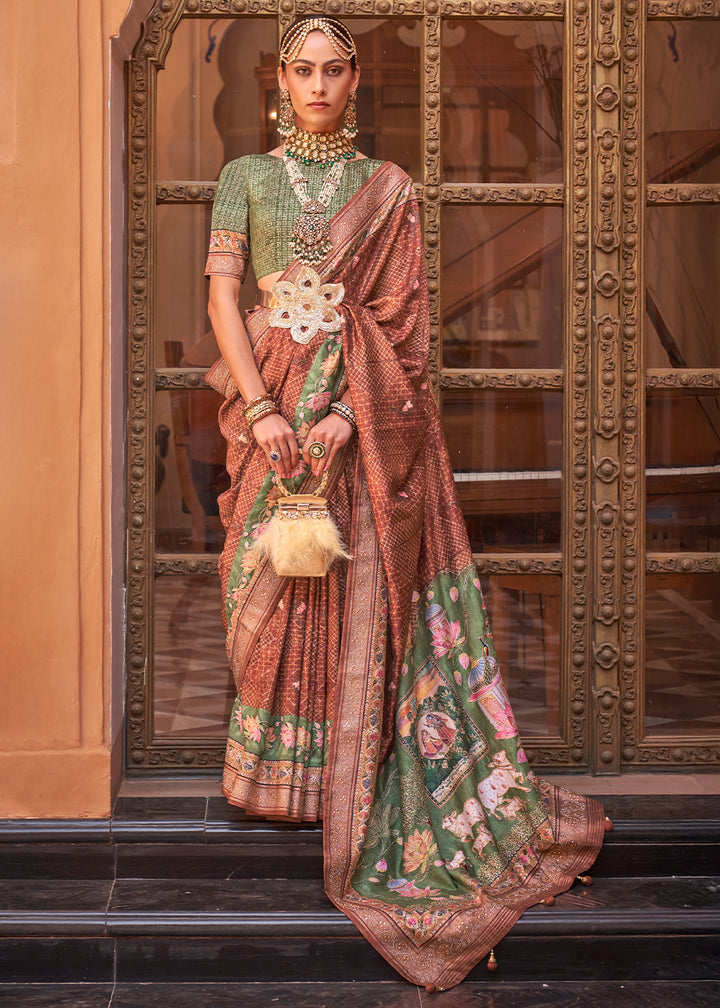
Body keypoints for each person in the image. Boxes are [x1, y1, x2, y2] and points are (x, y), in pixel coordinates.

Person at [204, 16, 608, 992]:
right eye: (302, 68)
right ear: (281, 76)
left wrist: (346, 412)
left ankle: (339, 778)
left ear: (354, 80)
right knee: (266, 573)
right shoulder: (245, 180)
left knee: (345, 586)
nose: (318, 83)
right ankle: (274, 778)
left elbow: (403, 327)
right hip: (266, 403)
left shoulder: (388, 191)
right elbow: (221, 292)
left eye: (334, 69)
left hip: (354, 421)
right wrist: (261, 407)